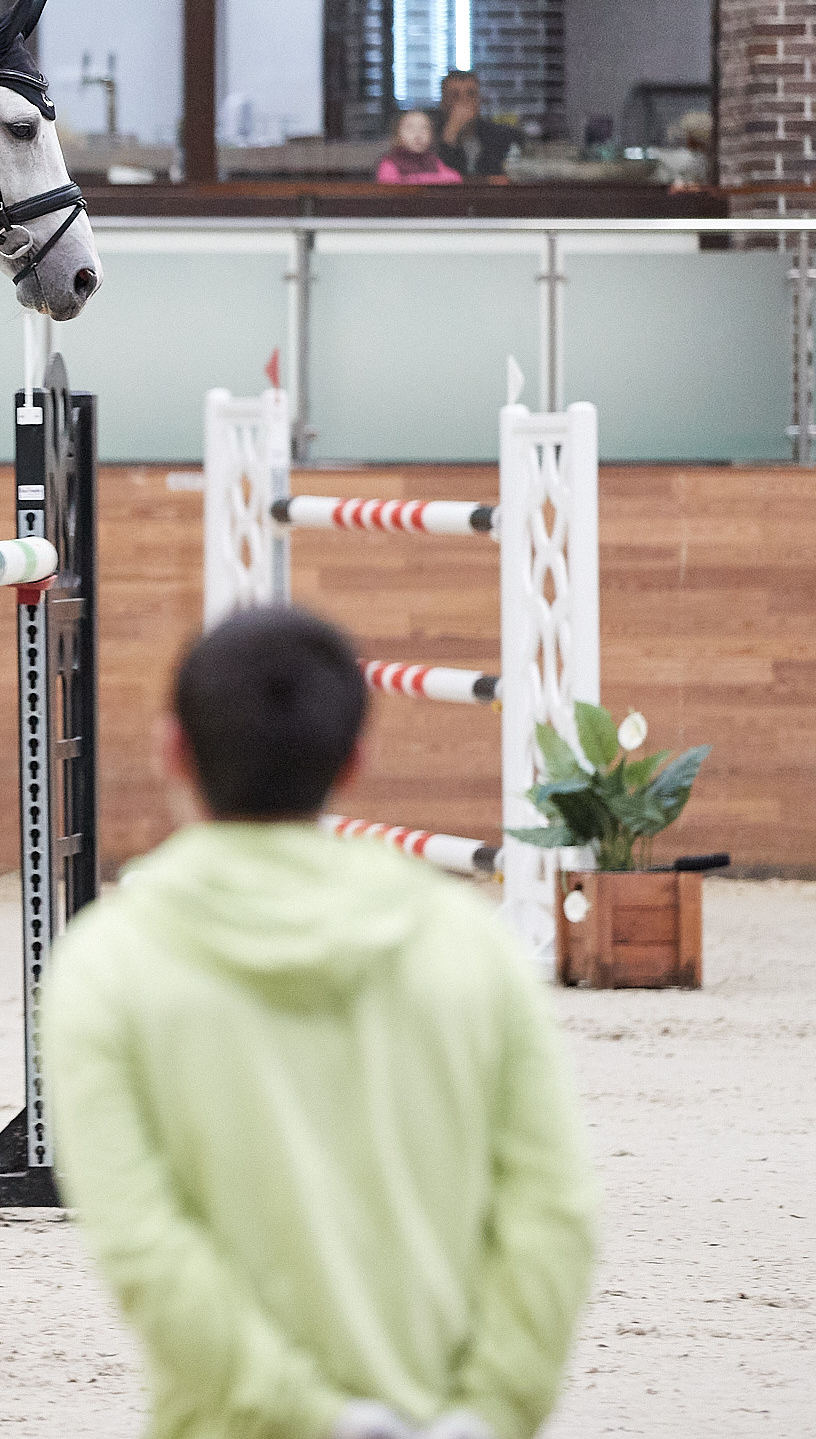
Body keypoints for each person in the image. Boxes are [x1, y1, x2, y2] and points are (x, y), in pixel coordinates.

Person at [43, 606, 597, 1439]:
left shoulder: (105, 967)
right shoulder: (472, 945)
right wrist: (491, 1412)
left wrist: (319, 1419)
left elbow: (148, 1252)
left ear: (172, 750)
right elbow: (553, 1210)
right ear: (355, 761)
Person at [436, 70, 519, 179]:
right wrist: (451, 134)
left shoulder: (498, 135)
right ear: (443, 102)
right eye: (455, 95)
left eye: (470, 94)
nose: (464, 101)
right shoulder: (431, 137)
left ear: (479, 99)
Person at [376, 109, 462, 185]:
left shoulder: (433, 160)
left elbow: (455, 178)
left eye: (424, 128)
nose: (418, 134)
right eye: (410, 128)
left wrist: (420, 179)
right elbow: (390, 186)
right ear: (397, 135)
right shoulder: (389, 163)